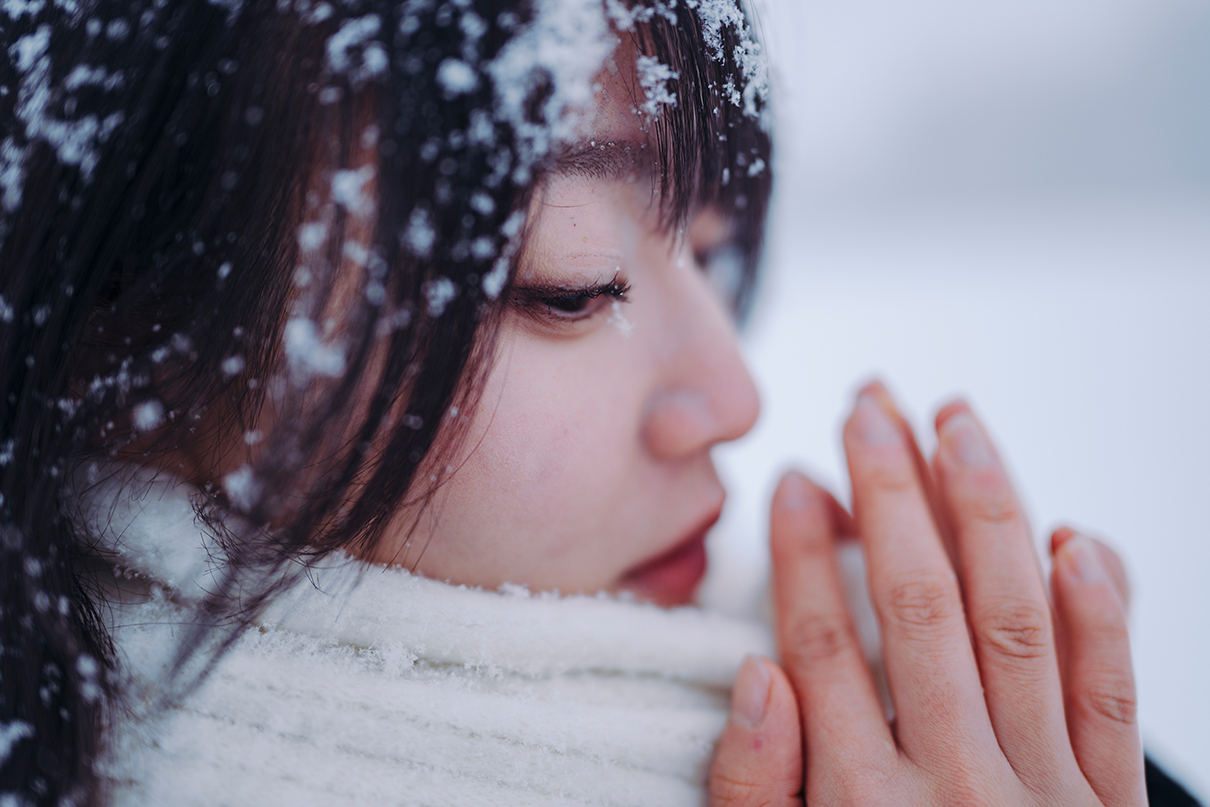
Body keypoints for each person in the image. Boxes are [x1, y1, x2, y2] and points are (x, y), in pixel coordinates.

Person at [0, 1, 1196, 805]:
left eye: (712, 248)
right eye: (570, 285)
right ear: (114, 329)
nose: (731, 396)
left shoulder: (947, 750)